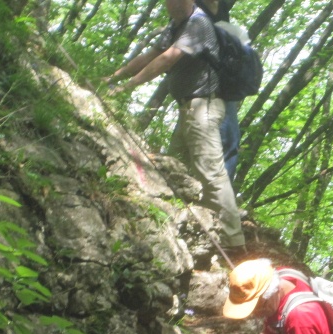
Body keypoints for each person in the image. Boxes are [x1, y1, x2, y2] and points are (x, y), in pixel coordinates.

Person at [105, 0, 246, 255]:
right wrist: (116, 76)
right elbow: (151, 55)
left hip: (204, 106)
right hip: (188, 109)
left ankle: (234, 244)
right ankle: (195, 228)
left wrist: (127, 87)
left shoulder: (199, 23)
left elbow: (167, 59)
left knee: (211, 172)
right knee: (176, 166)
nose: (170, 4)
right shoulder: (175, 25)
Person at [195, 0, 241, 182]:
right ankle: (215, 194)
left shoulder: (220, 7)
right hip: (203, 82)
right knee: (221, 138)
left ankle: (218, 192)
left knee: (230, 140)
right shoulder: (193, 8)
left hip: (224, 81)